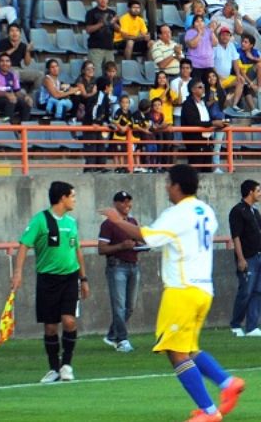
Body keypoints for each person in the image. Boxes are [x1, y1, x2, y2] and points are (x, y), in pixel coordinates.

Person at [100, 164, 246, 422]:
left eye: (169, 182)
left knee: (175, 352)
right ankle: (227, 382)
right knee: (189, 350)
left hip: (182, 289)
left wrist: (117, 221)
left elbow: (148, 237)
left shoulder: (178, 213)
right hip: (203, 289)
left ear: (177, 186)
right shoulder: (206, 211)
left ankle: (210, 412)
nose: (167, 186)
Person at [12, 181, 89, 383]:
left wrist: (84, 278)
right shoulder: (40, 220)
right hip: (47, 279)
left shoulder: (71, 223)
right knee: (50, 327)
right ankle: (53, 368)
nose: (74, 200)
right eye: (72, 196)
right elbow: (23, 246)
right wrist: (18, 273)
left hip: (70, 277)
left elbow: (78, 251)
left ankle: (67, 365)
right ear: (62, 198)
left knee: (69, 320)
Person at [98, 191, 143, 352]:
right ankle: (122, 339)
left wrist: (138, 243)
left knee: (129, 306)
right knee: (119, 306)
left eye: (129, 202)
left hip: (133, 264)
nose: (127, 205)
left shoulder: (132, 221)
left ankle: (112, 335)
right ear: (116, 204)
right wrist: (121, 246)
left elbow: (139, 239)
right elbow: (102, 248)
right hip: (117, 265)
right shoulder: (108, 224)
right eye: (123, 202)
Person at [228, 179, 261, 337]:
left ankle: (252, 326)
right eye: (258, 191)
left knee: (257, 291)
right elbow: (236, 236)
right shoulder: (237, 211)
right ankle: (235, 324)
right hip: (248, 257)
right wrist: (241, 258)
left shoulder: (255, 212)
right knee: (246, 291)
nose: (260, 194)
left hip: (259, 256)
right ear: (250, 192)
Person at [182, 77, 229, 171]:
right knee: (196, 170)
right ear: (193, 90)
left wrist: (220, 123)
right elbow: (193, 122)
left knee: (207, 170)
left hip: (207, 141)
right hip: (195, 142)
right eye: (200, 87)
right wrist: (213, 123)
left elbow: (207, 119)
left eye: (203, 86)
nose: (203, 88)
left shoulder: (203, 103)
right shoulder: (188, 104)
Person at [0, 23, 44, 92]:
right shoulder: (3, 42)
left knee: (40, 74)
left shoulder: (23, 45)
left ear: (20, 34)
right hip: (6, 68)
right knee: (15, 72)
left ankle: (33, 95)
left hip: (18, 69)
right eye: (12, 31)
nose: (14, 33)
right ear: (8, 33)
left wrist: (27, 51)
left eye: (17, 31)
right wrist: (14, 48)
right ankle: (18, 94)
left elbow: (27, 63)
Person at [0, 53, 33, 124]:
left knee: (27, 103)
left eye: (7, 61)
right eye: (2, 61)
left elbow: (17, 92)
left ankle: (22, 128)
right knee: (10, 101)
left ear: (10, 63)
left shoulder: (13, 75)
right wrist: (6, 94)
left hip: (10, 100)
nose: (5, 63)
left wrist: (25, 97)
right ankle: (7, 124)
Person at [86, 0, 120, 77]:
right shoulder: (91, 13)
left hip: (109, 47)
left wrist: (113, 23)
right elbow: (88, 29)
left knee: (111, 74)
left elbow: (119, 29)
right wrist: (101, 23)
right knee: (96, 74)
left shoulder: (112, 13)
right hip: (96, 48)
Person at [185, 15, 218, 80]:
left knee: (208, 86)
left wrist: (212, 31)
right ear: (193, 24)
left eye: (201, 21)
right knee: (197, 86)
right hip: (195, 65)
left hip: (208, 64)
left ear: (204, 23)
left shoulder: (209, 31)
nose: (199, 23)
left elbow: (215, 44)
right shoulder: (189, 32)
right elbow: (193, 45)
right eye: (197, 21)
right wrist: (199, 33)